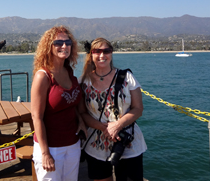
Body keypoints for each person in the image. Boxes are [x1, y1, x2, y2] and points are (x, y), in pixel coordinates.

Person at [78, 38, 147, 181]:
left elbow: (138, 108)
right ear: (91, 54)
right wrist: (106, 128)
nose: (102, 55)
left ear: (112, 53)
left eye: (106, 51)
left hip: (127, 142)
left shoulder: (127, 77)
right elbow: (82, 112)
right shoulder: (84, 81)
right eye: (97, 51)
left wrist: (118, 125)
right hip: (96, 144)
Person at [31, 26, 86, 181]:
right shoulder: (43, 76)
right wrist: (45, 153)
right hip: (51, 148)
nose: (64, 46)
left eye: (67, 42)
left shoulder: (69, 71)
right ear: (49, 46)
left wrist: (81, 120)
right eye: (58, 43)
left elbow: (70, 104)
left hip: (72, 144)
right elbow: (36, 117)